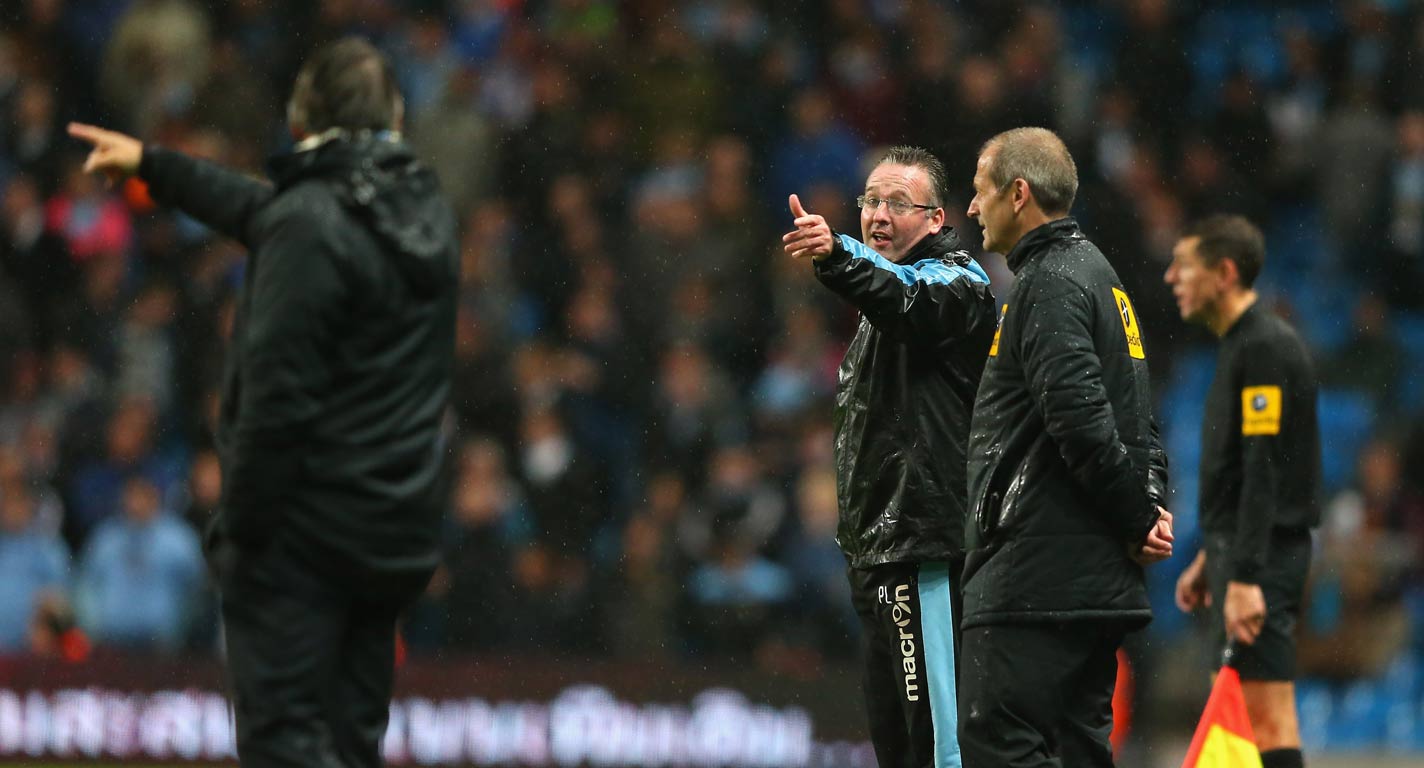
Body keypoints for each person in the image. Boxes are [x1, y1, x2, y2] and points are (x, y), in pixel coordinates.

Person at [69, 37, 458, 768]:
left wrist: (241, 534)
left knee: (285, 745)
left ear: (300, 117)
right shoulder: (422, 210)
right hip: (388, 531)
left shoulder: (309, 224)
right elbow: (275, 212)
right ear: (394, 117)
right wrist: (156, 166)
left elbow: (278, 400)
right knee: (350, 744)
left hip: (304, 536)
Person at [959, 127, 1174, 768]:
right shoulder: (1101, 278)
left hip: (1037, 580)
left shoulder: (1049, 283)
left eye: (979, 191)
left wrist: (1138, 517)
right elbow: (1139, 420)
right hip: (1088, 579)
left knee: (999, 742)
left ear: (1018, 194)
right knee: (1079, 751)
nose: (972, 208)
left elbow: (1080, 423)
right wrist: (1147, 507)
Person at [783, 145, 998, 768]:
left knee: (937, 744)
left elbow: (907, 298)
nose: (878, 215)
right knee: (897, 744)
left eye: (897, 203)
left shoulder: (960, 283)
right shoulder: (878, 309)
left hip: (925, 549)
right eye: (870, 201)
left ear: (936, 219)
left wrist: (839, 254)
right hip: (878, 554)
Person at [1166, 215, 1319, 768]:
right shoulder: (1241, 346)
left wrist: (1247, 573)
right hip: (1242, 552)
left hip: (1264, 559)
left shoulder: (1265, 348)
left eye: (1184, 265)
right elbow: (1243, 472)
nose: (1170, 277)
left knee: (1265, 719)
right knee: (1242, 724)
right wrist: (1215, 551)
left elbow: (1265, 469)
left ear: (1225, 273)